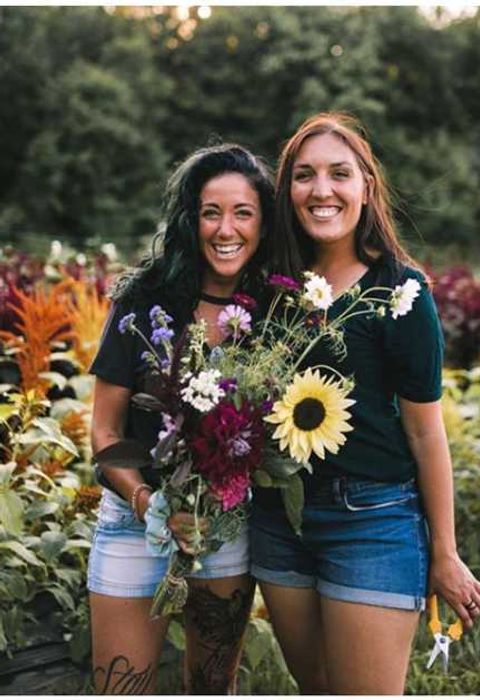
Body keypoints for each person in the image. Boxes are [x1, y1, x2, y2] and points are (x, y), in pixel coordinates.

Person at [249, 112, 480, 694]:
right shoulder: (269, 286)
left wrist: (445, 552)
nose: (321, 190)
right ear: (287, 191)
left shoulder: (400, 293)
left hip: (372, 522)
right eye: (304, 175)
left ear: (366, 187)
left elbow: (426, 433)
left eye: (339, 174)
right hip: (278, 520)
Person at [88, 144, 284, 693]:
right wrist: (150, 505)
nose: (226, 229)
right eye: (210, 212)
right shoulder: (143, 300)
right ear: (189, 220)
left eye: (243, 213)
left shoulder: (276, 312)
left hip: (223, 528)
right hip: (134, 524)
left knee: (211, 689)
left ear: (263, 223)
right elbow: (105, 430)